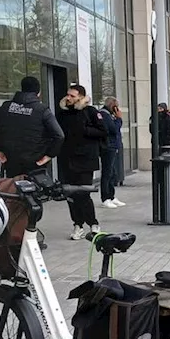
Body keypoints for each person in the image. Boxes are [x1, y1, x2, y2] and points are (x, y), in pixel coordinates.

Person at [0, 76, 63, 178]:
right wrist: (49, 155)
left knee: (12, 189)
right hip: (35, 163)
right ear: (38, 92)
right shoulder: (42, 110)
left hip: (10, 161)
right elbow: (59, 136)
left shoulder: (6, 107)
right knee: (34, 191)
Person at [57, 84, 107, 238]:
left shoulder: (90, 112)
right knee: (70, 194)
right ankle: (77, 224)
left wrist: (85, 130)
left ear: (81, 97)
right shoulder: (63, 114)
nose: (68, 98)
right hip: (67, 158)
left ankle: (93, 223)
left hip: (85, 159)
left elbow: (103, 131)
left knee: (83, 193)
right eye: (68, 95)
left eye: (72, 96)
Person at [100, 97, 125, 207]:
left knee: (112, 172)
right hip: (108, 147)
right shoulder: (104, 115)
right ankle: (105, 197)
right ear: (112, 106)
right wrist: (119, 119)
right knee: (107, 172)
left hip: (113, 146)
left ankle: (111, 195)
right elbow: (113, 130)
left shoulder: (109, 115)